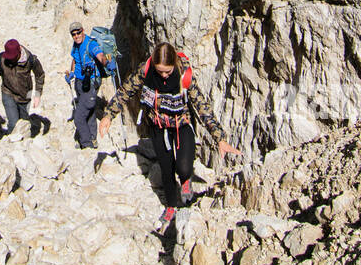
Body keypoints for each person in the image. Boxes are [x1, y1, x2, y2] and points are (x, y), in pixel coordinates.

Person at [100, 41, 240, 234]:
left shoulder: (184, 74)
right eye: (160, 71)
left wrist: (220, 138)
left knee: (183, 167)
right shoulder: (145, 70)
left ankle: (185, 180)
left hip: (181, 124)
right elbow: (126, 91)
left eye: (167, 71)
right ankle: (171, 206)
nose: (164, 75)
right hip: (158, 126)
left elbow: (201, 106)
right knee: (167, 169)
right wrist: (108, 115)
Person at [0, 38, 44, 139]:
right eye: (9, 57)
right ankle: (12, 148)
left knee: (24, 125)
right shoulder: (2, 58)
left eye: (12, 58)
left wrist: (38, 94)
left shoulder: (30, 59)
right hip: (8, 92)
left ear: (19, 52)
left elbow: (40, 75)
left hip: (25, 97)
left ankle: (25, 148)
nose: (10, 60)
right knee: (13, 124)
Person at [65, 21, 107, 149]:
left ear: (83, 31)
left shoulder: (91, 44)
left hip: (90, 83)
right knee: (89, 112)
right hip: (79, 81)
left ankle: (87, 144)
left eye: (78, 32)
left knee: (79, 118)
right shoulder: (76, 45)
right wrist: (71, 73)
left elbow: (100, 56)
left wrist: (106, 62)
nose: (76, 36)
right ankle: (93, 138)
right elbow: (75, 59)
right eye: (74, 34)